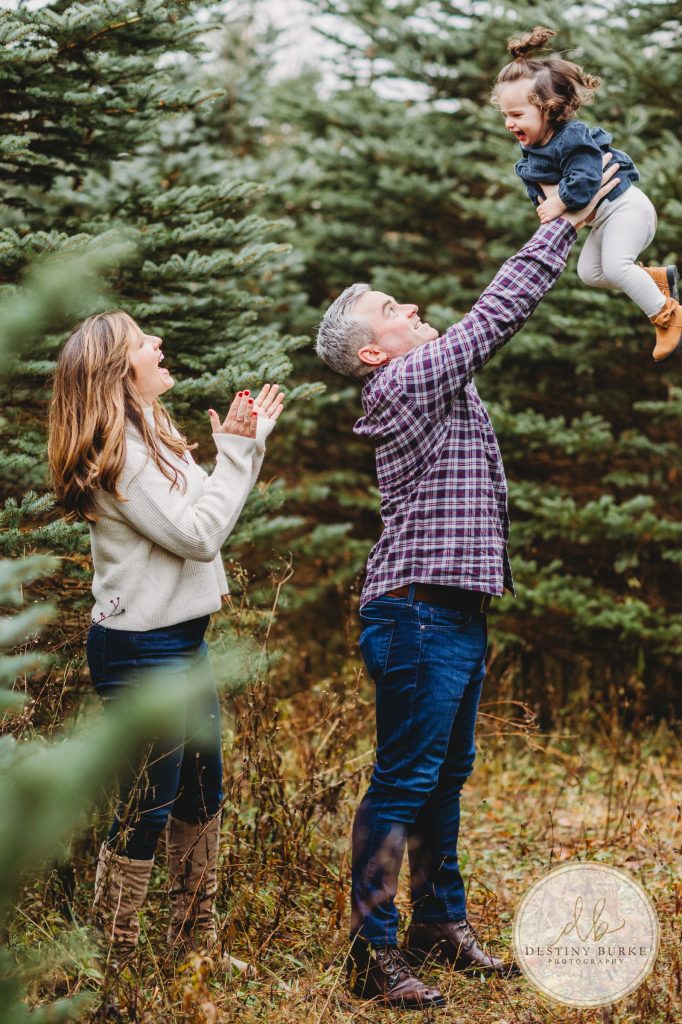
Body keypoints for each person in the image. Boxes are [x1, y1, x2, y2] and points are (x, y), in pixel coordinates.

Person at [315, 164, 620, 1009]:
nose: (411, 307)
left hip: (451, 611)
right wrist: (562, 222)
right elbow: (496, 315)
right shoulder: (405, 381)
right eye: (392, 310)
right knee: (405, 780)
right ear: (374, 351)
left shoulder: (433, 380)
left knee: (444, 778)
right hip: (415, 612)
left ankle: (437, 926)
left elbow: (475, 332)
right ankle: (371, 953)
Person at [47, 310, 284, 968]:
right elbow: (199, 536)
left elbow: (205, 515)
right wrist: (237, 454)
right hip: (139, 650)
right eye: (144, 342)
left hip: (183, 642)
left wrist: (245, 445)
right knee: (146, 804)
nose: (159, 344)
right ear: (119, 372)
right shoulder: (117, 454)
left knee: (204, 791)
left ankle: (192, 948)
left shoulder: (151, 432)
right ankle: (112, 962)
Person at [492, 25, 681, 363]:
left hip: (626, 208)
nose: (509, 122)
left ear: (548, 108)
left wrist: (561, 202)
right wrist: (547, 204)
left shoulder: (573, 137)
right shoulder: (532, 154)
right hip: (603, 220)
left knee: (616, 265)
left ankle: (669, 317)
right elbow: (540, 196)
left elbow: (586, 179)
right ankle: (655, 279)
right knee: (590, 273)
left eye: (517, 114)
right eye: (505, 115)